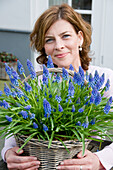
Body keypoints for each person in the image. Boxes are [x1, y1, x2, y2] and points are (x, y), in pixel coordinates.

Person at [1, 3, 113, 170]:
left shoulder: (105, 81)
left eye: (65, 36)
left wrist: (100, 160)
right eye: (49, 40)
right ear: (44, 47)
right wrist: (8, 153)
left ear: (80, 38)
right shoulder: (35, 84)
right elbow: (13, 136)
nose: (58, 45)